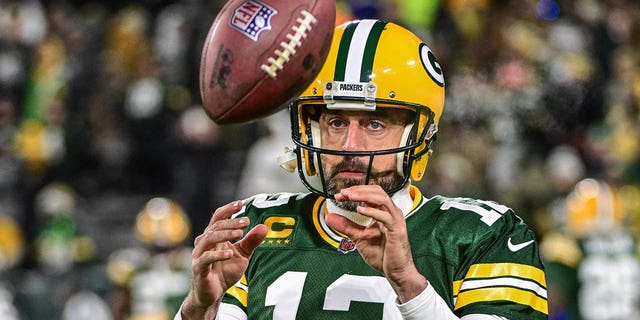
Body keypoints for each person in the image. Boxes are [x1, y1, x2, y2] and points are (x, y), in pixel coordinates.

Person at [175, 19, 548, 320]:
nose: (350, 147)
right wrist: (198, 309)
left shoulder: (483, 235)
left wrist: (409, 285)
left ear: (420, 134)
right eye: (336, 123)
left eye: (374, 124)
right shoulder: (257, 225)